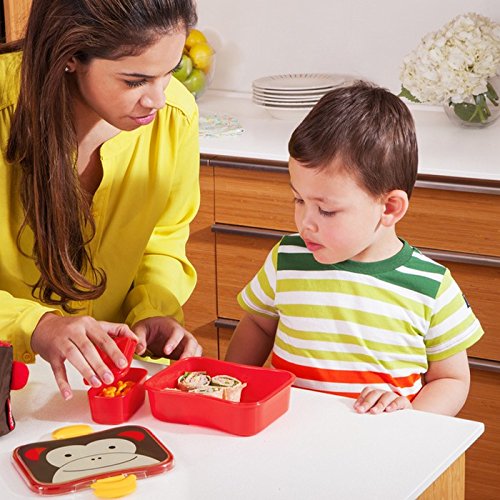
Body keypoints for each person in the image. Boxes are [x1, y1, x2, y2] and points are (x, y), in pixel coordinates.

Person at [225, 82, 483, 416]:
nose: (305, 223)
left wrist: (411, 419)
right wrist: (229, 389)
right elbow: (258, 325)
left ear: (389, 208)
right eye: (298, 200)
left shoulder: (431, 286)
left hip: (379, 442)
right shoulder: (287, 259)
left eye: (326, 210)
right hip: (287, 435)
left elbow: (452, 379)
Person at [0, 0, 203, 400]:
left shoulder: (176, 116)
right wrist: (34, 325)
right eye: (135, 81)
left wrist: (153, 309)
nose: (158, 99)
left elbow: (163, 239)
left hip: (105, 386)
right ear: (70, 55)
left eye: (170, 72)